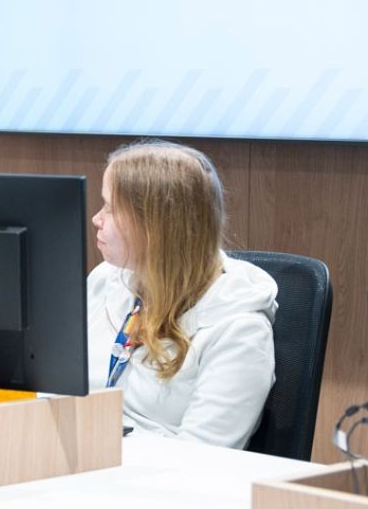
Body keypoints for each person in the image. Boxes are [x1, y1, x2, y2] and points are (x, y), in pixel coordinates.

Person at [88, 139, 278, 449]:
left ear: (154, 226)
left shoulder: (240, 331)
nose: (97, 218)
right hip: (84, 464)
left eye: (110, 208)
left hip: (156, 485)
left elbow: (201, 456)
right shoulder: (105, 280)